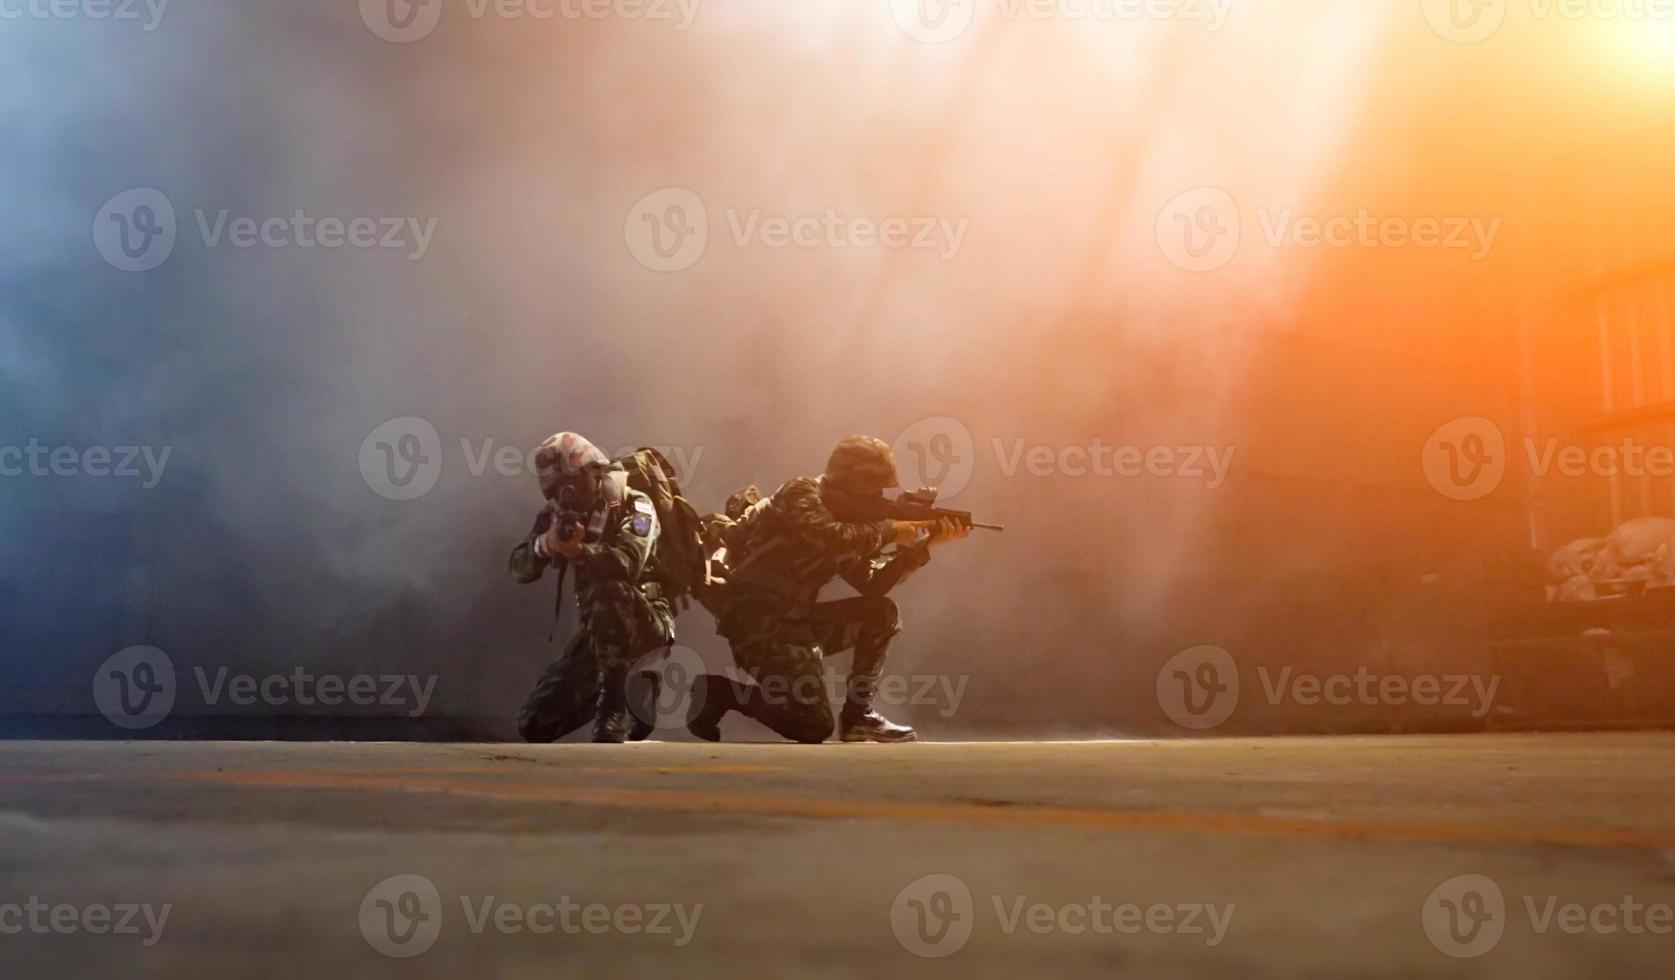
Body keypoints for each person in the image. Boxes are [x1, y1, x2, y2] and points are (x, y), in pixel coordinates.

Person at [686, 435, 970, 743]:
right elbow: (830, 537)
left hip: (796, 622)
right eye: (871, 489)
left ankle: (859, 717)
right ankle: (720, 693)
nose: (878, 497)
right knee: (812, 725)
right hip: (756, 622)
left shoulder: (853, 523)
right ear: (848, 480)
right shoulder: (799, 492)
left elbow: (873, 585)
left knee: (880, 613)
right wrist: (890, 530)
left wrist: (920, 547)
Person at [509, 432, 675, 743]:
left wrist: (578, 552)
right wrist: (545, 545)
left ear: (592, 472)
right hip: (600, 635)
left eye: (569, 486)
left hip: (647, 622)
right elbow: (518, 568)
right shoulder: (557, 514)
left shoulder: (634, 503)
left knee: (606, 585)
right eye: (557, 490)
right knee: (534, 723)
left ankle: (613, 710)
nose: (565, 496)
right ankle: (634, 689)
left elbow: (627, 564)